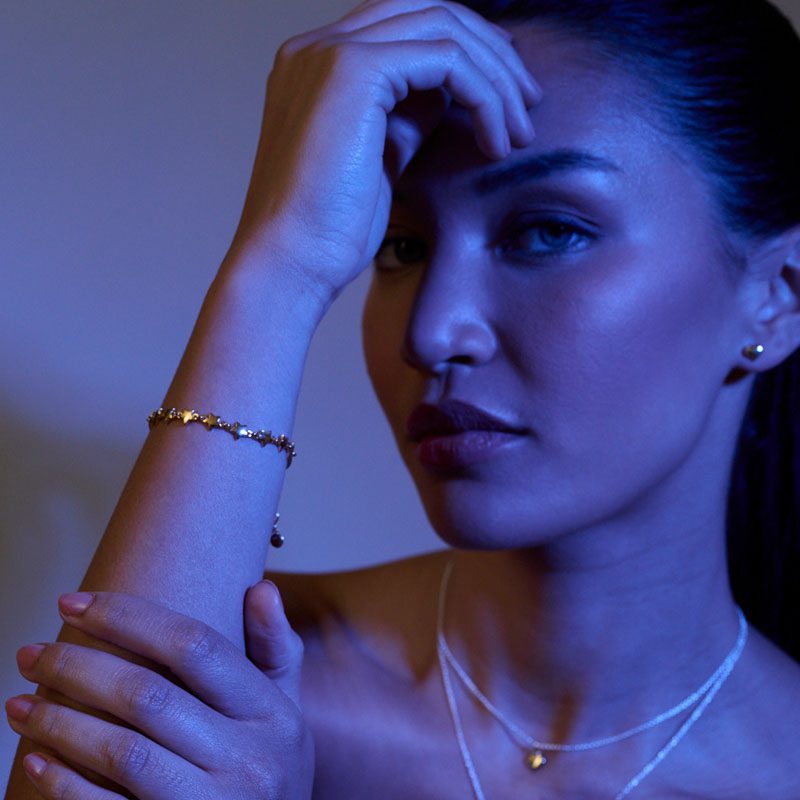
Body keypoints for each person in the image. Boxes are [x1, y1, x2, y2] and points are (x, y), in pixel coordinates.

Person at [4, 0, 800, 797]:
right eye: (402, 246)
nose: (432, 331)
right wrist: (280, 265)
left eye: (548, 231)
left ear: (779, 296)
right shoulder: (248, 684)